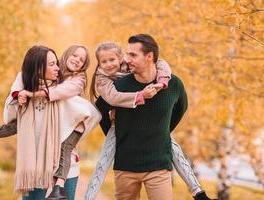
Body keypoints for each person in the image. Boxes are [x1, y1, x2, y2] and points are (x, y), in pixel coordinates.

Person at [0, 45, 101, 200]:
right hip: (37, 165)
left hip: (65, 165)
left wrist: (73, 134)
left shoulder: (71, 89)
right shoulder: (35, 87)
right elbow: (12, 119)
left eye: (82, 60)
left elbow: (90, 113)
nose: (77, 60)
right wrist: (19, 96)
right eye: (75, 55)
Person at [86, 41, 214, 200]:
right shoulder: (105, 80)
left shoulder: (131, 66)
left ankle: (197, 191)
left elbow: (161, 64)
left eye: (112, 60)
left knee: (171, 143)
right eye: (103, 61)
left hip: (157, 159)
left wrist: (162, 82)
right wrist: (118, 128)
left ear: (121, 58)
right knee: (103, 161)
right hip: (119, 134)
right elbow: (105, 105)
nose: (108, 64)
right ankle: (89, 196)